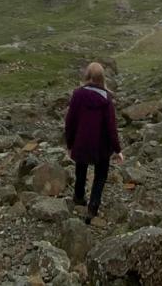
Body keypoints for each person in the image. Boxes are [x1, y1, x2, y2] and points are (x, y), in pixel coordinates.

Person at [63, 61, 123, 223]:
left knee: (80, 169)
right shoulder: (107, 99)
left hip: (81, 142)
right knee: (100, 175)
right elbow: (111, 127)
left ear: (87, 76)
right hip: (101, 145)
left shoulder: (78, 94)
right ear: (102, 78)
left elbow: (70, 122)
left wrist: (69, 144)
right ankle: (92, 208)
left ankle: (79, 196)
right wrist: (117, 149)